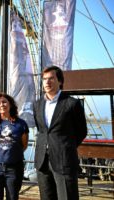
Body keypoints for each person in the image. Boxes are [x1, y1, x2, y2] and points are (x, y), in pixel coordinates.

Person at [33, 66, 87, 200]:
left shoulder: (71, 103)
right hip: (42, 161)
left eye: (51, 78)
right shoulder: (37, 104)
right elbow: (42, 130)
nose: (47, 82)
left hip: (64, 160)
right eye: (44, 79)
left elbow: (82, 131)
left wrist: (65, 147)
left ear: (60, 81)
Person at [0, 93, 29, 200]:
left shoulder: (21, 124)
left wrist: (11, 153)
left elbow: (24, 145)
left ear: (10, 104)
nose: (2, 105)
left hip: (14, 168)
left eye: (4, 102)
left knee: (13, 197)